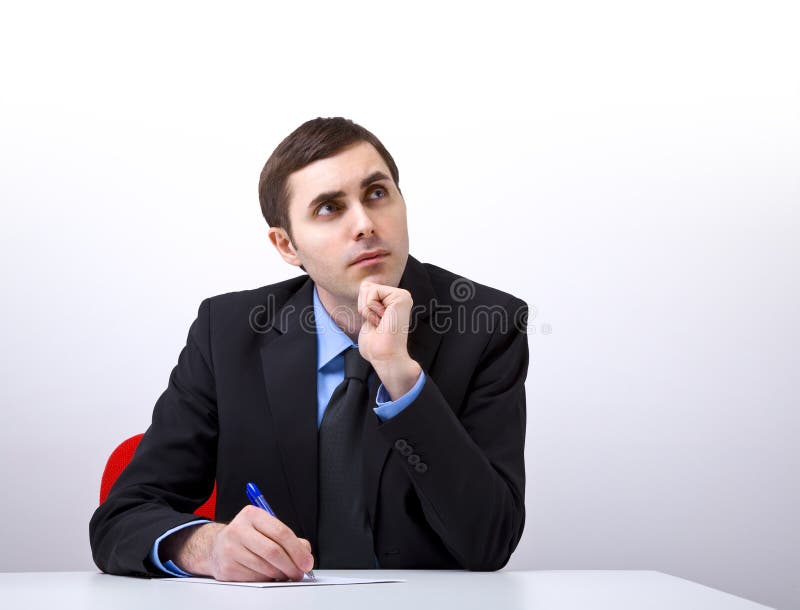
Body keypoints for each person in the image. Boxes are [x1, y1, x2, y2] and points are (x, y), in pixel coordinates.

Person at [89, 117, 530, 581]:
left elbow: (490, 542)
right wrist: (207, 547)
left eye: (377, 193)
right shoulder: (227, 333)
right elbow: (121, 519)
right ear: (286, 245)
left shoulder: (487, 326)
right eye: (328, 208)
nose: (365, 224)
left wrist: (401, 378)